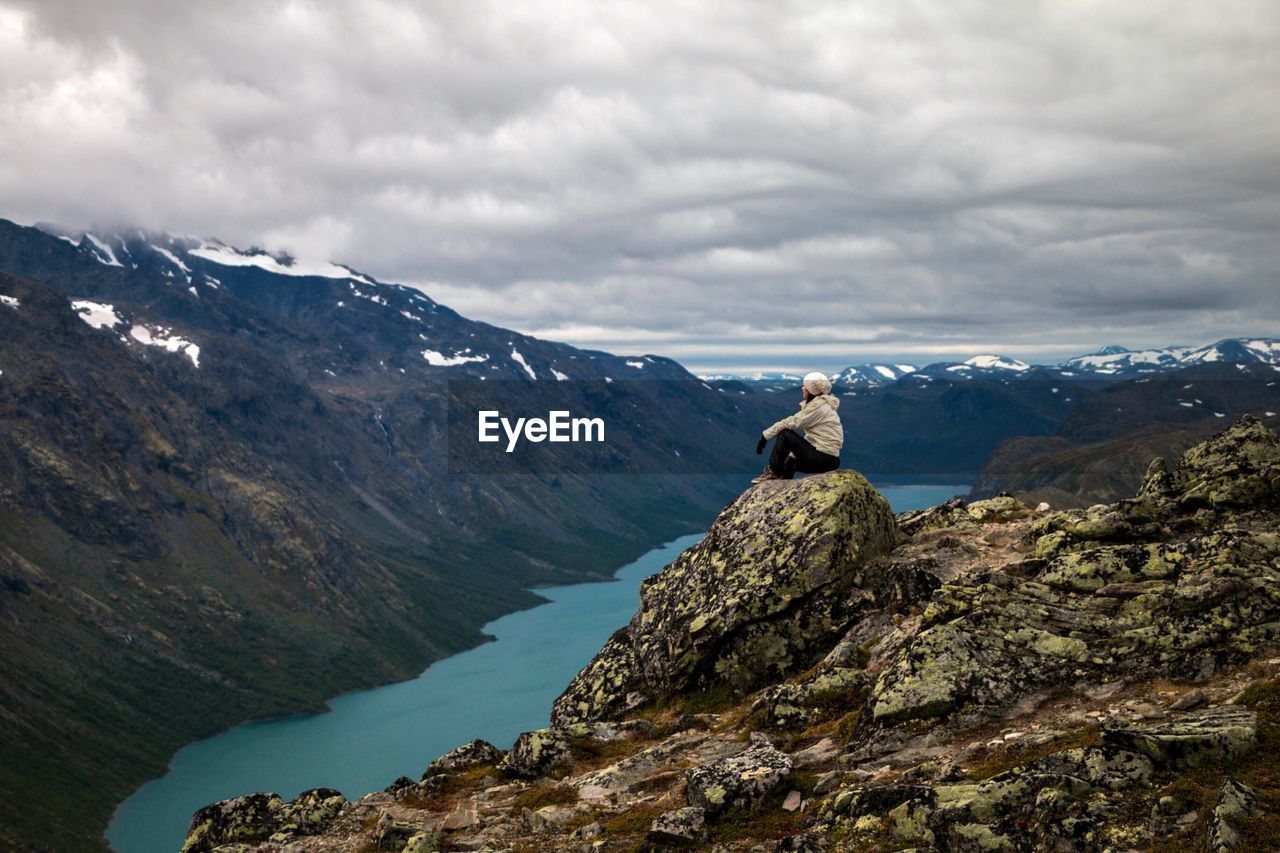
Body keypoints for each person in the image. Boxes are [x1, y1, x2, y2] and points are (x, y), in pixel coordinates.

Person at [751, 371, 842, 483]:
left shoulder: (818, 409)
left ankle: (773, 472)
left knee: (785, 435)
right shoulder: (822, 406)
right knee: (790, 461)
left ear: (811, 391)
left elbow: (791, 422)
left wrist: (764, 436)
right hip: (829, 459)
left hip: (824, 458)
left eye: (805, 386)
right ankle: (784, 485)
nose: (802, 388)